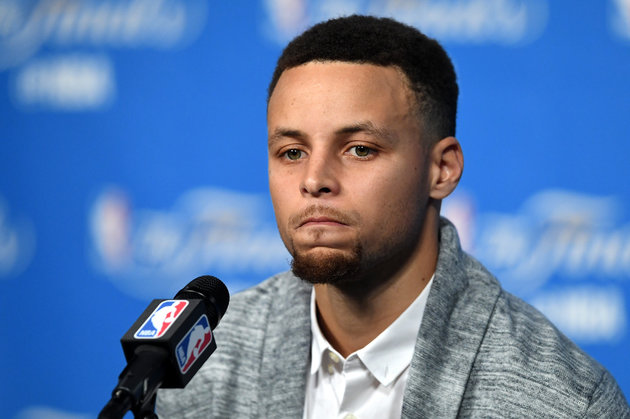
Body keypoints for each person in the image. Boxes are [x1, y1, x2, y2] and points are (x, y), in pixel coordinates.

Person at [156, 15, 630, 418]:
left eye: (360, 149)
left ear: (441, 169)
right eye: (292, 151)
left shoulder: (562, 400)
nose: (314, 179)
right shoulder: (203, 363)